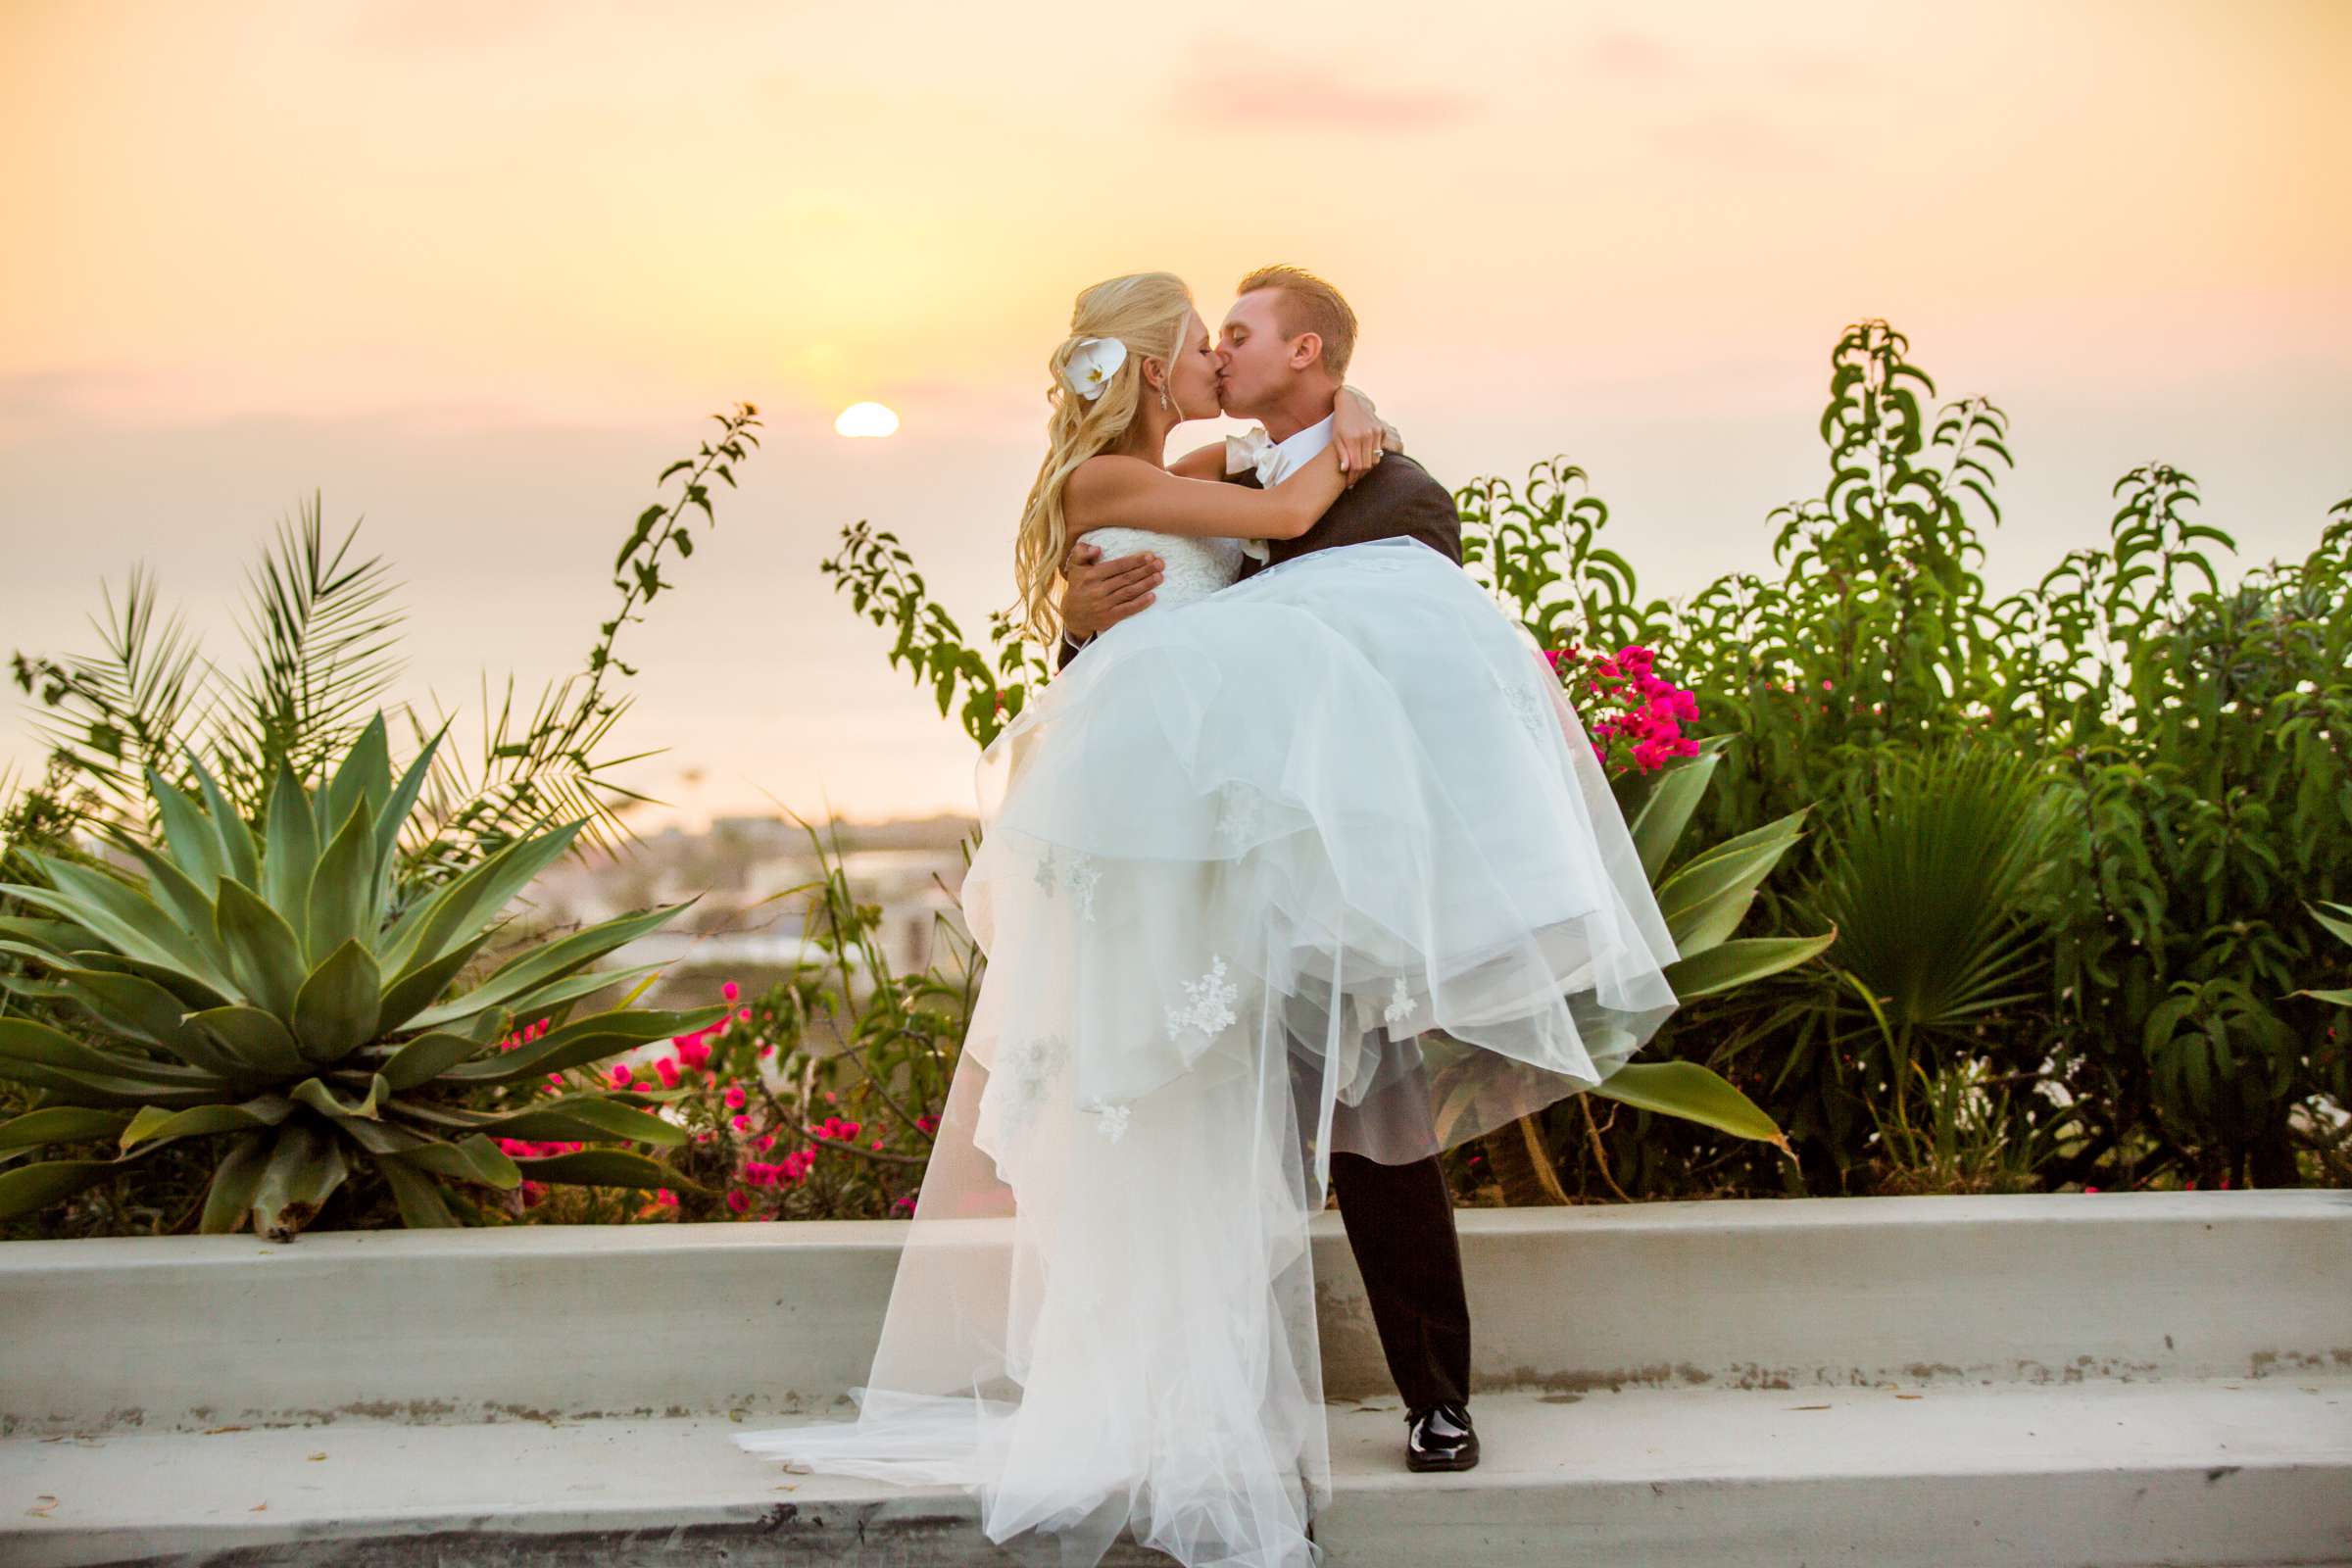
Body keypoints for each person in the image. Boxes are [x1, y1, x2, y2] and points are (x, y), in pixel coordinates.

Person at [733, 270, 1680, 1568]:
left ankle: (1435, 1399)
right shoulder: (1182, 483)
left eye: (1231, 337)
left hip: (1310, 879)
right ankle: (1190, 1398)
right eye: (1198, 340)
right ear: (1149, 369)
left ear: (1300, 355)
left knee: (1379, 1126)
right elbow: (1136, 657)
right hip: (1183, 865)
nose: (1215, 356)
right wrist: (1075, 618)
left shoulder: (1386, 490)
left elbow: (1392, 649)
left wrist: (1363, 426)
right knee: (1177, 1130)